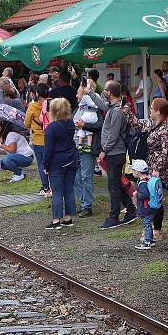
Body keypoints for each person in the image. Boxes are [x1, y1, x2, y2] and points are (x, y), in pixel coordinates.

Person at [124, 97, 168, 241]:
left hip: (159, 168)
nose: (150, 110)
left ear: (158, 111)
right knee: (148, 196)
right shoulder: (152, 123)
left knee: (156, 198)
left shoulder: (167, 128)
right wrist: (127, 111)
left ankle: (157, 229)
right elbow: (137, 123)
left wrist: (158, 169)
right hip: (149, 165)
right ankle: (150, 227)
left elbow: (166, 152)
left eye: (152, 108)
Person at [98, 81, 137, 229]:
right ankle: (130, 210)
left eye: (105, 90)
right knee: (117, 184)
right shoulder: (115, 107)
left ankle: (113, 217)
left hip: (115, 152)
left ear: (109, 92)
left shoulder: (116, 111)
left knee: (113, 186)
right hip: (115, 151)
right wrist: (89, 91)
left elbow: (113, 135)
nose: (103, 92)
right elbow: (101, 104)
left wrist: (104, 150)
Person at [43, 98, 78, 230]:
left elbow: (48, 149)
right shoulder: (70, 123)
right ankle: (68, 218)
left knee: (57, 192)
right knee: (69, 189)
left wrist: (45, 165)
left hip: (57, 161)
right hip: (71, 159)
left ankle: (56, 220)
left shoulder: (51, 128)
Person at [73, 84, 104, 217]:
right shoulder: (77, 109)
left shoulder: (94, 109)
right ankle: (82, 202)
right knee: (76, 177)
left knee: (86, 176)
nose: (76, 96)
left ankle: (87, 205)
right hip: (75, 147)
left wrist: (85, 125)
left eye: (79, 93)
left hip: (87, 148)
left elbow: (100, 125)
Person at [25, 83, 50, 196]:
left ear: (37, 94)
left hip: (38, 139)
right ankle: (54, 186)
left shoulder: (32, 106)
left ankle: (45, 188)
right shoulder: (52, 103)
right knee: (52, 163)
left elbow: (26, 123)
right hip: (51, 138)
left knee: (41, 164)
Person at [132, 159, 162, 250]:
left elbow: (145, 195)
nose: (132, 172)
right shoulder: (148, 179)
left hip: (146, 207)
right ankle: (151, 240)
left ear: (137, 172)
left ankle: (147, 242)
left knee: (146, 224)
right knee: (148, 223)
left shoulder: (142, 183)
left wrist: (136, 194)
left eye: (133, 170)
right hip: (151, 206)